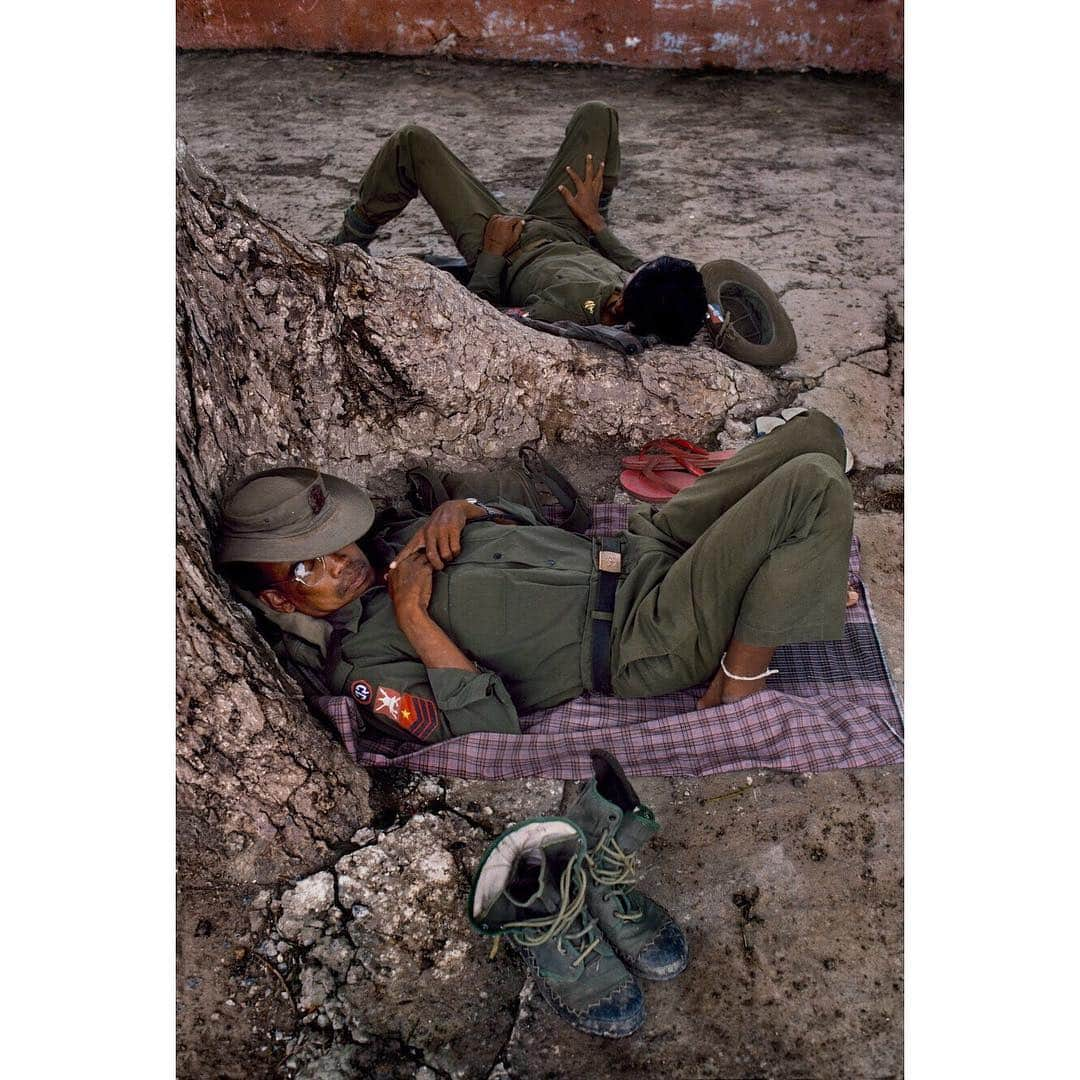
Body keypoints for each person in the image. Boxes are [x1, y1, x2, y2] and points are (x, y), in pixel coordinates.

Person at [218, 410, 855, 746]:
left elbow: (528, 526)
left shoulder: (392, 541)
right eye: (309, 566)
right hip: (643, 631)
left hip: (639, 548)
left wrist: (465, 510)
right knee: (812, 486)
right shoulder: (364, 667)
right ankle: (741, 677)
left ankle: (785, 585)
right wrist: (413, 617)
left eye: (335, 539)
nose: (339, 561)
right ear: (280, 597)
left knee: (816, 435)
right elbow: (489, 731)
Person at [328, 101, 708, 345]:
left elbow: (482, 319)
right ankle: (594, 203)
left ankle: (348, 241)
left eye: (635, 275)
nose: (634, 268)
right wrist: (595, 221)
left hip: (504, 243)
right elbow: (631, 266)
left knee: (413, 142)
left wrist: (491, 254)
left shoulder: (563, 314)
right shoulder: (653, 296)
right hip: (568, 228)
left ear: (623, 304)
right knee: (598, 115)